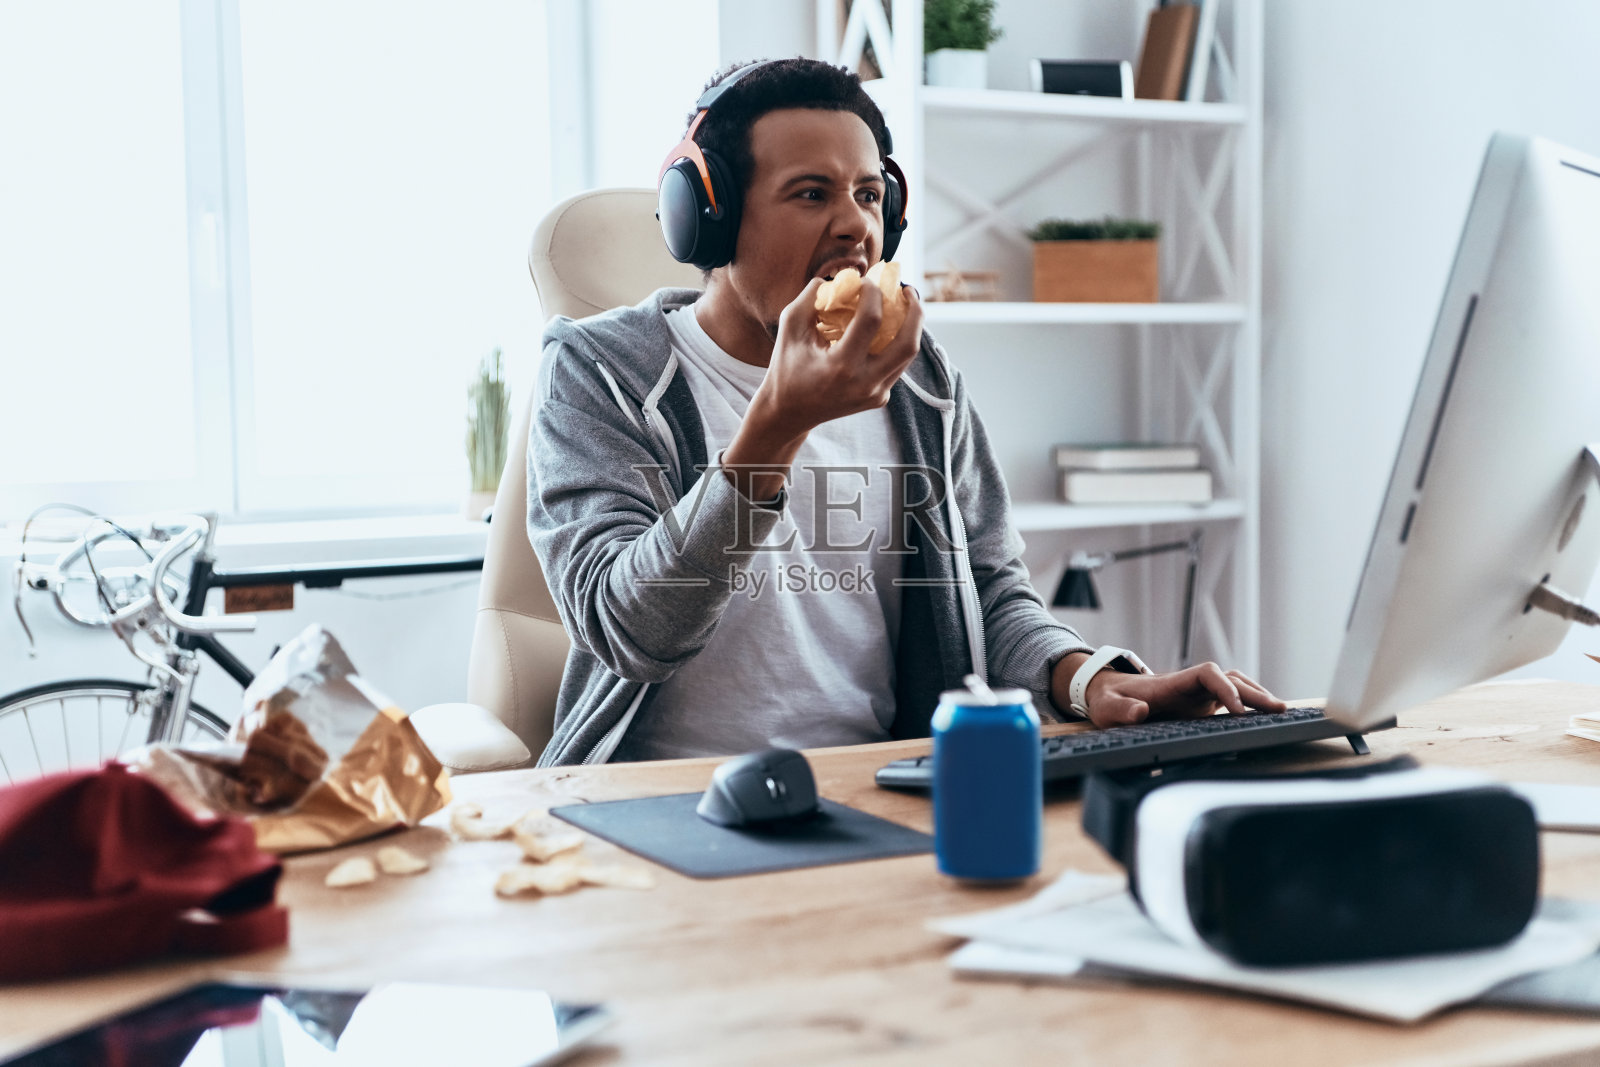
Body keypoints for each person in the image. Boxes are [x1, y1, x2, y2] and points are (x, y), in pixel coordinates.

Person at [526, 58, 1283, 767]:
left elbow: (987, 589)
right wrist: (778, 426)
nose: (857, 227)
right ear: (709, 219)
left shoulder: (919, 378)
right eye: (811, 193)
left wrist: (1086, 678)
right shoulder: (599, 372)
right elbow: (629, 631)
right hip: (657, 797)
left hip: (879, 782)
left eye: (867, 194)